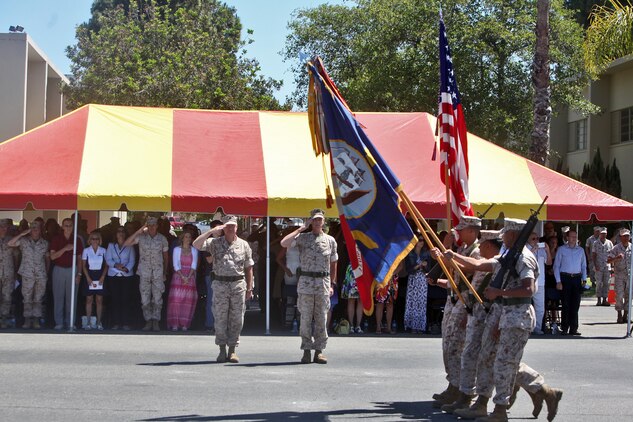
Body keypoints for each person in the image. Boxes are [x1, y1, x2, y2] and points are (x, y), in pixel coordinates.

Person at [445, 218, 561, 421]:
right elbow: (480, 265)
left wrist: (501, 291)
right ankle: (483, 402)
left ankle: (501, 410)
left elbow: (529, 288)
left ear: (514, 235)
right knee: (487, 359)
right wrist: (452, 256)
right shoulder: (508, 256)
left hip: (517, 316)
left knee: (504, 363)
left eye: (505, 234)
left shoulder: (524, 258)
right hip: (501, 314)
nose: (502, 237)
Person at [430, 215, 481, 407]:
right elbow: (454, 277)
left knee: (458, 346)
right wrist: (441, 260)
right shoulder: (463, 249)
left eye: (462, 229)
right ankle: (453, 384)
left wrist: (448, 259)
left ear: (472, 231)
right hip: (453, 299)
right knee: (449, 345)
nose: (458, 232)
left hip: (465, 301)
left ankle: (462, 389)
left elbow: (469, 271)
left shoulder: (476, 252)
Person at [280, 208, 338, 365]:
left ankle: (319, 351)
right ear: (310, 221)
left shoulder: (330, 241)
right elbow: (284, 243)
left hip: (323, 283)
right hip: (306, 282)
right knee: (305, 318)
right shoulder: (303, 238)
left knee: (321, 318)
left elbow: (333, 264)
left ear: (324, 221)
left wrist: (332, 283)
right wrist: (301, 228)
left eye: (320, 219)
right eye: (315, 219)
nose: (318, 222)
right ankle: (306, 350)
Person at [194, 215, 254, 364]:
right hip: (220, 284)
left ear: (237, 227)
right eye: (227, 226)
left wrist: (250, 287)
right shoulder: (214, 243)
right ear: (223, 227)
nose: (230, 228)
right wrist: (211, 231)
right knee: (220, 318)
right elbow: (196, 245)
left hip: (238, 285)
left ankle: (232, 349)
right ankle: (222, 349)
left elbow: (248, 267)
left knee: (237, 319)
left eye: (233, 226)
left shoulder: (244, 245)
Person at [124, 217, 169, 332]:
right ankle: (148, 321)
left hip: (158, 273)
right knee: (145, 299)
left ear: (157, 226)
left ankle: (156, 321)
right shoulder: (141, 238)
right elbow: (126, 243)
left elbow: (166, 257)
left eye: (154, 225)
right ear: (146, 226)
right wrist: (139, 230)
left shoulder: (162, 239)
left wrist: (165, 272)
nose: (152, 227)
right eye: (149, 225)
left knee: (157, 299)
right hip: (144, 272)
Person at [8, 221, 50, 329]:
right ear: (29, 229)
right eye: (33, 228)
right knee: (27, 298)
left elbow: (47, 259)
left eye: (37, 228)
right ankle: (27, 320)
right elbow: (10, 243)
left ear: (41, 230)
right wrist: (22, 234)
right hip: (27, 274)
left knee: (38, 298)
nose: (35, 230)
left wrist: (46, 272)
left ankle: (36, 320)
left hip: (41, 274)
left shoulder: (45, 243)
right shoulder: (23, 241)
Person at [49, 218, 84, 330]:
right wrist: (65, 248)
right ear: (62, 227)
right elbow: (52, 256)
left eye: (70, 225)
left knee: (72, 298)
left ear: (73, 227)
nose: (68, 227)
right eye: (66, 225)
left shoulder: (77, 239)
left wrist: (79, 273)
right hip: (59, 269)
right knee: (58, 297)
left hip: (72, 270)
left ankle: (70, 322)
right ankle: (59, 322)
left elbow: (80, 258)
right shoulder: (56, 239)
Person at [553, 228, 587, 336]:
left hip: (576, 278)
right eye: (571, 236)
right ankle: (564, 327)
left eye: (575, 237)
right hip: (565, 278)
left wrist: (584, 280)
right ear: (567, 238)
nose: (573, 239)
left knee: (575, 304)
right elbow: (556, 266)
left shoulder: (580, 250)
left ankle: (574, 328)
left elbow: (583, 266)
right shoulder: (562, 249)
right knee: (566, 304)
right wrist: (558, 281)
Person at [166, 231, 199, 331]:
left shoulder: (194, 250)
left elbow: (194, 265)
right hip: (178, 276)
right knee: (176, 301)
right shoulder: (176, 249)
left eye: (189, 237)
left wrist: (188, 277)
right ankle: (175, 323)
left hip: (190, 277)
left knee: (187, 301)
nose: (188, 239)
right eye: (186, 237)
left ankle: (185, 324)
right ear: (182, 238)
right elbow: (175, 264)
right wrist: (182, 276)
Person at [105, 226, 136, 330]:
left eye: (123, 231)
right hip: (113, 275)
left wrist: (126, 269)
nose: (121, 233)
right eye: (119, 231)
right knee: (115, 300)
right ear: (116, 234)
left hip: (126, 275)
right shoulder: (110, 245)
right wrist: (116, 265)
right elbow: (108, 259)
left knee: (125, 300)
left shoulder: (130, 246)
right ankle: (116, 323)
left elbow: (132, 260)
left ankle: (126, 323)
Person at [82, 231, 108, 330]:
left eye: (97, 238)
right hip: (90, 275)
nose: (95, 240)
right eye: (93, 238)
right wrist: (88, 278)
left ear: (99, 240)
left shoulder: (103, 250)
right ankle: (88, 322)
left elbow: (106, 265)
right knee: (89, 299)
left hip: (100, 275)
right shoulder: (86, 250)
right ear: (90, 240)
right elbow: (84, 266)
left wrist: (102, 277)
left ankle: (99, 322)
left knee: (99, 300)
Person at [404, 234, 429, 333]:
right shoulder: (410, 254)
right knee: (412, 303)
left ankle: (420, 326)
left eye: (423, 240)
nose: (421, 242)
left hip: (423, 279)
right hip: (413, 279)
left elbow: (429, 268)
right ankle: (411, 326)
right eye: (419, 240)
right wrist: (418, 266)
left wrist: (425, 266)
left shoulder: (426, 254)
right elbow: (408, 269)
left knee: (421, 303)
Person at [528, 231, 552, 335]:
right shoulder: (525, 249)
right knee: (526, 305)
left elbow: (549, 262)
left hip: (540, 281)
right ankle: (527, 327)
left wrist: (547, 250)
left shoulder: (542, 249)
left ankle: (537, 328)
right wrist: (532, 251)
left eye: (537, 238)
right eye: (533, 239)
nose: (536, 241)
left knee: (540, 307)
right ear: (528, 240)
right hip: (528, 281)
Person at [202, 220, 223, 332]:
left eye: (221, 228)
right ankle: (210, 324)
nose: (219, 230)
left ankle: (220, 324)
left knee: (221, 301)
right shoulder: (208, 242)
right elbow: (209, 260)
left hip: (223, 274)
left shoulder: (225, 241)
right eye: (217, 228)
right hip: (211, 274)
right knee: (211, 300)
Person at [608, 229, 632, 323]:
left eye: (627, 236)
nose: (626, 238)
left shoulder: (631, 247)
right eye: (624, 236)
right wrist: (616, 258)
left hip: (629, 276)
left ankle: (626, 315)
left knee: (629, 296)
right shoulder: (616, 248)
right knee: (619, 296)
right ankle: (619, 314)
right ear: (620, 237)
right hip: (619, 276)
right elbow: (608, 260)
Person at [0, 219, 17, 329]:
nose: (3, 229)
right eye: (1, 226)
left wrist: (15, 271)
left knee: (7, 296)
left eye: (5, 227)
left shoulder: (12, 240)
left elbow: (16, 256)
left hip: (8, 272)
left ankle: (4, 319)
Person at [592, 227, 613, 306]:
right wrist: (595, 265)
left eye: (604, 234)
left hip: (607, 266)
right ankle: (599, 299)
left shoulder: (609, 243)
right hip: (598, 266)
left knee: (607, 283)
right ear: (599, 234)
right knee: (599, 283)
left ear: (606, 234)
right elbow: (593, 255)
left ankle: (605, 299)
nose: (603, 235)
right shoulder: (595, 243)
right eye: (602, 234)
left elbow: (612, 254)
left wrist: (612, 266)